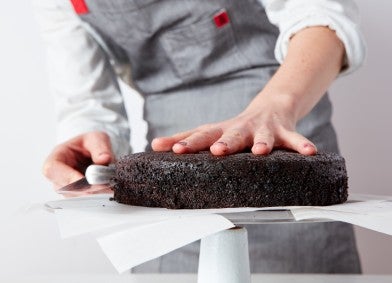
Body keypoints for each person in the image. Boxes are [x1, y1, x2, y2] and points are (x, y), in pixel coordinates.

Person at [35, 0, 366, 273]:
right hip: (166, 198)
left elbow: (322, 15)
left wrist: (275, 106)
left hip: (282, 144)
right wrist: (90, 147)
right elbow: (88, 101)